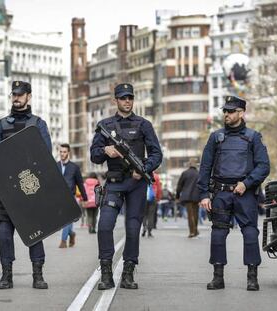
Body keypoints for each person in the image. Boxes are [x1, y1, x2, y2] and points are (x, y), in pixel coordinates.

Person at [90, 83, 162, 290]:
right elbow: (94, 156)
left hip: (136, 184)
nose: (127, 101)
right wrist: (106, 150)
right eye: (123, 98)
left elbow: (157, 154)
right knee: (104, 226)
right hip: (113, 184)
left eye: (130, 97)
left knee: (132, 229)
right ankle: (106, 273)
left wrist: (144, 168)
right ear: (116, 100)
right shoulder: (105, 125)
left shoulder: (143, 124)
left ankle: (128, 273)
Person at [198, 95, 270, 291]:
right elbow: (205, 167)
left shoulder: (254, 137)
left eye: (230, 111)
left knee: (250, 234)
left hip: (244, 194)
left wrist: (246, 184)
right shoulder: (216, 137)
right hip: (221, 193)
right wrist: (204, 194)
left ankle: (252, 277)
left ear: (241, 113)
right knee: (218, 234)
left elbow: (264, 166)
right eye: (225, 111)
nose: (226, 114)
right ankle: (218, 277)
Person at [0, 80, 51, 290]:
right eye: (14, 94)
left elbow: (45, 156)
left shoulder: (38, 124)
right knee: (4, 233)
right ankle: (6, 275)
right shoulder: (1, 125)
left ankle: (38, 275)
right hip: (6, 189)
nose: (16, 97)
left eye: (20, 94)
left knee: (35, 232)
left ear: (28, 96)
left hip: (30, 187)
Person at [57, 143, 87, 248]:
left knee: (68, 219)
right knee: (63, 220)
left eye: (64, 152)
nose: (62, 154)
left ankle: (63, 241)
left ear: (68, 153)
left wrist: (85, 197)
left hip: (71, 197)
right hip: (59, 198)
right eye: (60, 151)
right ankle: (71, 234)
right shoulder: (55, 166)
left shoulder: (74, 167)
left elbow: (80, 183)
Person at [176, 158, 200, 238]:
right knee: (195, 214)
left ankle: (192, 232)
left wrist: (177, 196)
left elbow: (179, 185)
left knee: (190, 215)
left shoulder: (185, 173)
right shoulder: (199, 173)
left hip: (187, 197)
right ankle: (195, 230)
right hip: (197, 197)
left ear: (189, 165)